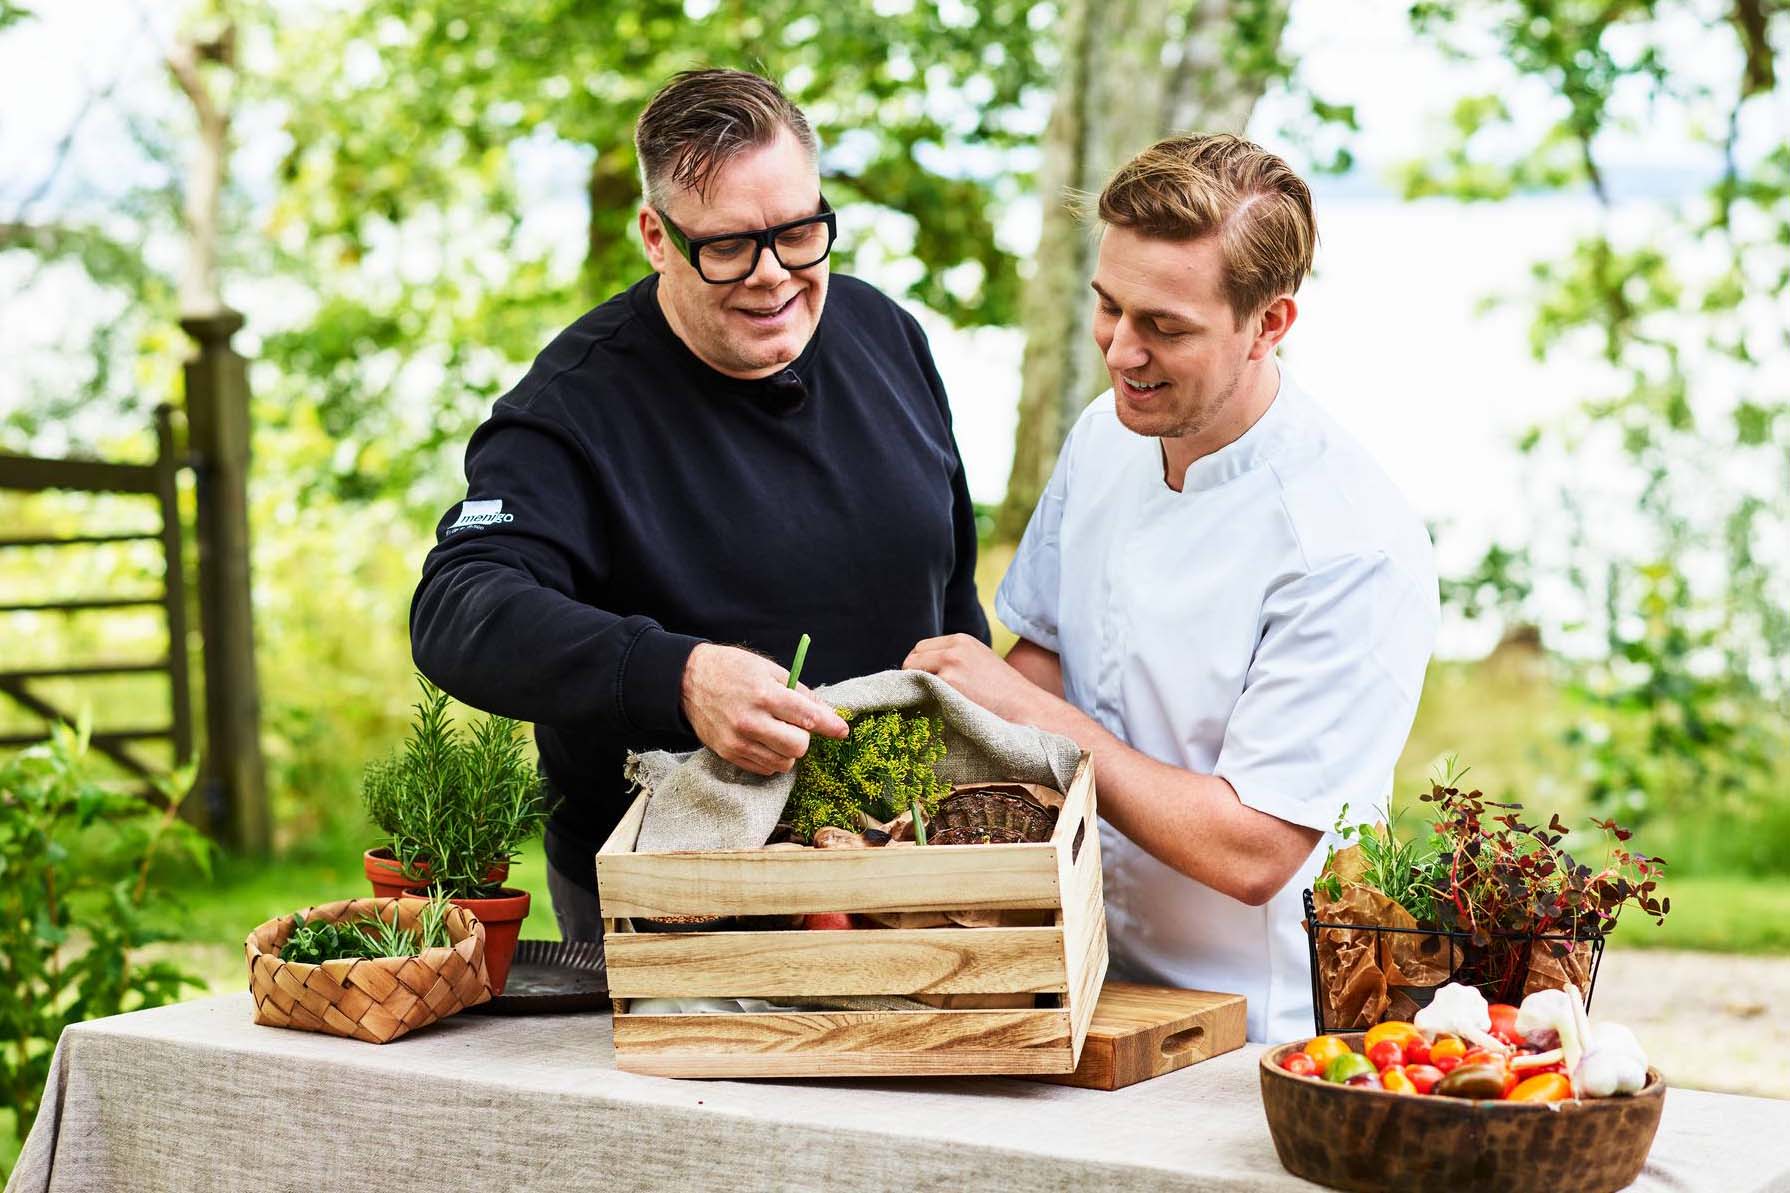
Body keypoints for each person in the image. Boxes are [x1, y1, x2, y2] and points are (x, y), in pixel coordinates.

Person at [412, 69, 989, 943]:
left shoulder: (887, 335)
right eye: (727, 247)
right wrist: (677, 675)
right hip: (680, 899)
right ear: (655, 235)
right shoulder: (571, 407)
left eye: (799, 232)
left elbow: (951, 592)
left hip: (900, 869)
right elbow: (458, 606)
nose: (774, 277)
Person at [906, 134, 1438, 1043]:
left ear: (1269, 324)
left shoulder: (1348, 542)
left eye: (1166, 326)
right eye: (1108, 307)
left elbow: (1254, 849)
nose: (1121, 350)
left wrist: (1040, 726)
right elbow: (1042, 657)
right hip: (1066, 974)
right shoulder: (1103, 437)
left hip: (1247, 1024)